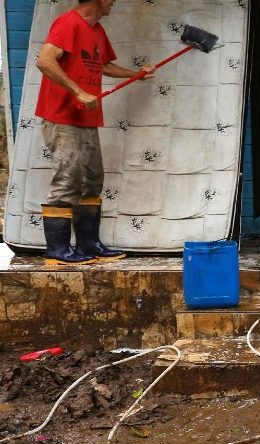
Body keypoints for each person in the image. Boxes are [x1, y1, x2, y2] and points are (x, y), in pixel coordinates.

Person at [34, 0, 155, 265]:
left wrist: (136, 74)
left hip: (87, 119)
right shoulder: (68, 23)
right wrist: (78, 91)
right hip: (63, 118)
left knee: (92, 180)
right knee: (67, 181)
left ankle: (89, 245)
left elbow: (101, 65)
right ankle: (57, 250)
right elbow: (44, 61)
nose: (114, 2)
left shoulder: (96, 29)